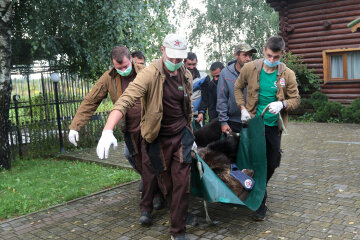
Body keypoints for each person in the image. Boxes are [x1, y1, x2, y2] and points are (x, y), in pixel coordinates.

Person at [96, 33, 194, 240]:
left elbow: (188, 108)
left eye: (180, 58)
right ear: (162, 50)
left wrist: (191, 135)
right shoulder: (149, 74)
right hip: (158, 138)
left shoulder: (186, 75)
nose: (176, 62)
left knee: (182, 183)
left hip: (182, 136)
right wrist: (108, 129)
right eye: (172, 57)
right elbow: (125, 100)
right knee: (167, 184)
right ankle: (172, 210)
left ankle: (178, 231)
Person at [68, 46, 164, 209]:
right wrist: (75, 126)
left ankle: (158, 195)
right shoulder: (109, 78)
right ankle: (155, 192)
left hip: (149, 127)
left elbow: (163, 94)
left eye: (125, 66)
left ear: (131, 60)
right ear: (113, 65)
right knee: (139, 163)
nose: (123, 70)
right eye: (118, 68)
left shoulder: (145, 72)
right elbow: (91, 100)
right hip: (129, 130)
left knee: (153, 162)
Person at [234, 36, 300, 221]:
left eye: (276, 57)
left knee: (272, 162)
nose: (271, 60)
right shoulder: (250, 68)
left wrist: (283, 104)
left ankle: (257, 188)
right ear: (264, 51)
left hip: (273, 126)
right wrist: (242, 108)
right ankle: (260, 204)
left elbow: (296, 100)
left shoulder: (287, 74)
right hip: (254, 124)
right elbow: (238, 88)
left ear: (282, 54)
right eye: (269, 55)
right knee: (256, 163)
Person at [217, 42, 257, 134]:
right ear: (236, 55)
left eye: (250, 56)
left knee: (251, 147)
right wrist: (223, 121)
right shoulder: (225, 73)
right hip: (233, 121)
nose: (248, 59)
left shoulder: (256, 72)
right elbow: (222, 98)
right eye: (244, 55)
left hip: (252, 119)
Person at [184, 52, 209, 128]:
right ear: (184, 63)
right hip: (182, 116)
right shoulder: (178, 76)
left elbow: (205, 97)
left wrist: (202, 112)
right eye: (189, 64)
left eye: (194, 64)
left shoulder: (203, 77)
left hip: (198, 116)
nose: (191, 67)